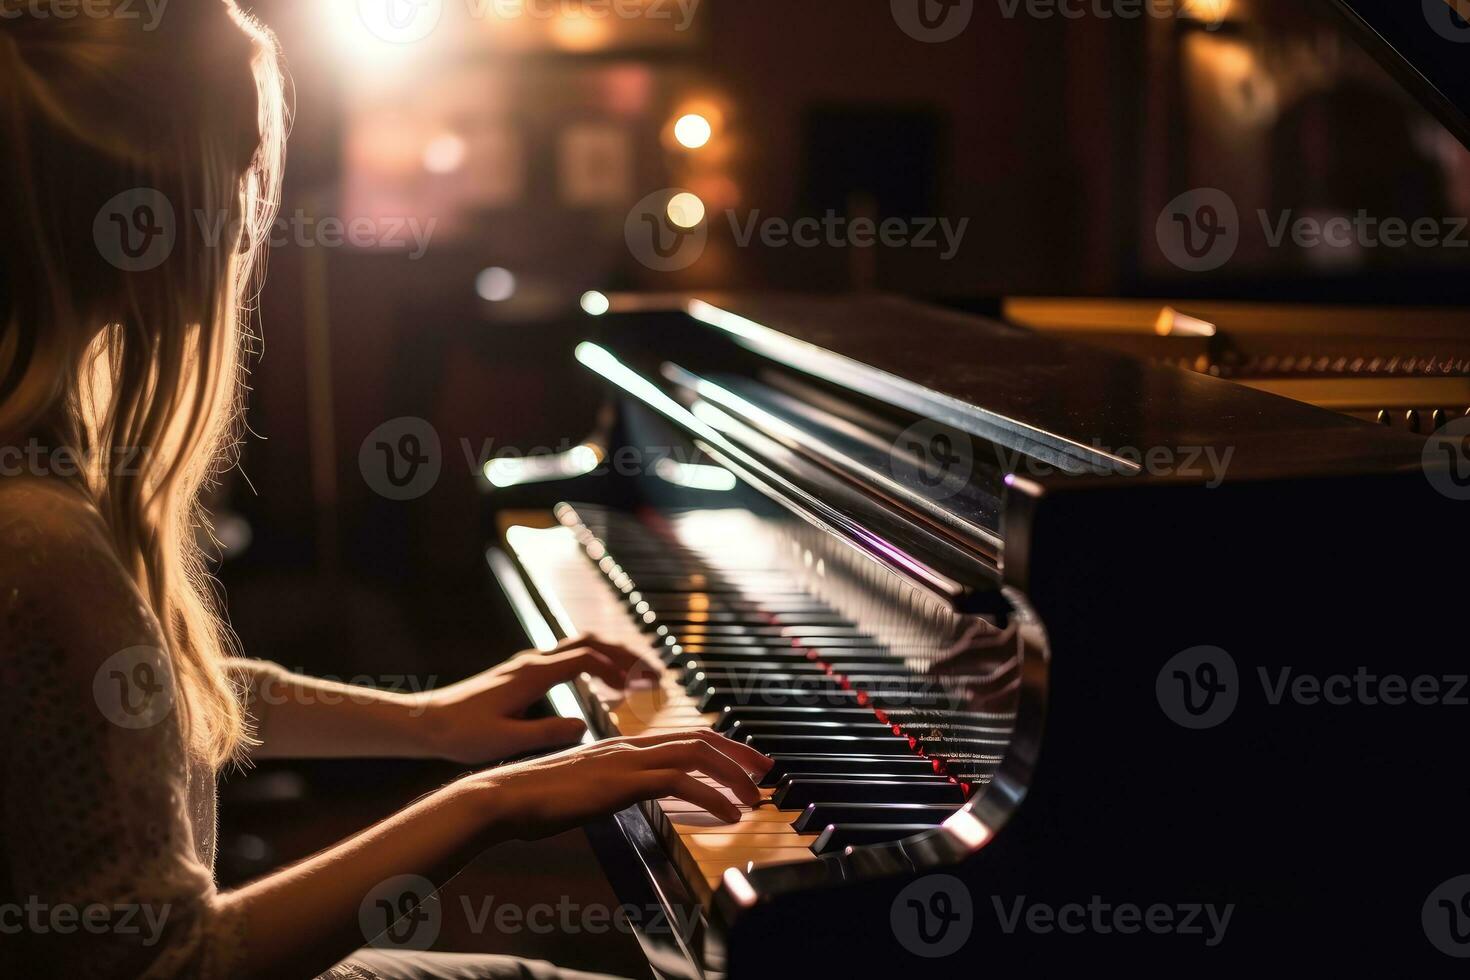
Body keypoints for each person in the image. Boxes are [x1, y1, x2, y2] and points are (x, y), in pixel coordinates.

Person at [0, 2, 770, 976]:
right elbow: (174, 963)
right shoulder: (37, 539)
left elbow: (147, 690)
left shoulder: (50, 472)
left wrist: (432, 720)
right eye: (240, 166)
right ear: (153, 209)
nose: (250, 219)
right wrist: (489, 802)